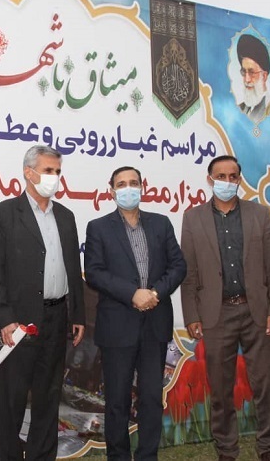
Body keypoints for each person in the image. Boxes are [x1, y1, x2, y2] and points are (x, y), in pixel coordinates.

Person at [0, 144, 86, 461]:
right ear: (29, 173)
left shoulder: (66, 216)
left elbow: (73, 269)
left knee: (48, 397)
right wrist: (4, 319)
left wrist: (78, 315)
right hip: (19, 323)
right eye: (47, 170)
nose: (54, 177)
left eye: (57, 171)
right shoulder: (3, 214)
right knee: (11, 399)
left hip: (57, 318)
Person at [181, 155, 270, 461]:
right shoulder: (193, 218)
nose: (227, 182)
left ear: (239, 179)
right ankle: (226, 449)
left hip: (257, 312)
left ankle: (269, 447)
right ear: (210, 180)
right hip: (216, 315)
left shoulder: (259, 214)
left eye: (232, 176)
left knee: (266, 385)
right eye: (221, 176)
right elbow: (189, 274)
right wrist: (192, 315)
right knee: (221, 389)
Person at [84, 166, 186, 461]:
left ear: (143, 187)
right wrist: (132, 294)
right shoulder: (98, 228)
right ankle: (118, 456)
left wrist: (154, 293)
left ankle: (147, 455)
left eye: (133, 183)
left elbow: (178, 266)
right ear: (111, 190)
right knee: (116, 400)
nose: (128, 188)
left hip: (155, 324)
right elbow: (94, 272)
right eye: (121, 184)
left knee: (152, 398)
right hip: (117, 327)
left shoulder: (161, 224)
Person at [235, 34, 270, 123]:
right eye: (244, 71)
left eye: (252, 72)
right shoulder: (240, 108)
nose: (247, 79)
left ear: (264, 76)